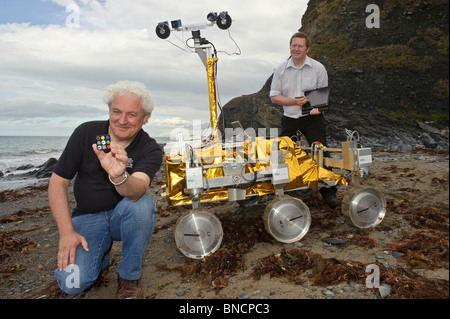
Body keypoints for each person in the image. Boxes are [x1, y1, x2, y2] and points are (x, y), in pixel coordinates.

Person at [49, 80, 163, 299]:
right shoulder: (85, 132)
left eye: (131, 114)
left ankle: (129, 277)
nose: (122, 120)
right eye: (116, 111)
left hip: (124, 216)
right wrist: (66, 233)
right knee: (72, 284)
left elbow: (137, 189)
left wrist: (118, 175)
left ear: (145, 117)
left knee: (141, 206)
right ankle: (100, 257)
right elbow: (58, 182)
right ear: (109, 110)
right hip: (87, 217)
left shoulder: (150, 148)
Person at [270, 31, 340, 208]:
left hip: (312, 119)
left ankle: (329, 192)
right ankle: (283, 192)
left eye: (300, 46)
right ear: (290, 47)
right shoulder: (280, 69)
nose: (296, 49)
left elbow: (323, 95)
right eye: (294, 45)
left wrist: (318, 108)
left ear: (307, 48)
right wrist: (294, 101)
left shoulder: (318, 68)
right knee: (282, 155)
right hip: (290, 118)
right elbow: (274, 97)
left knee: (322, 154)